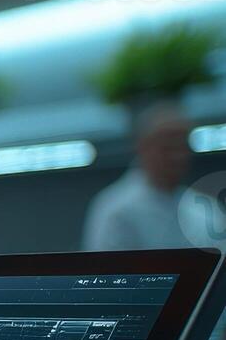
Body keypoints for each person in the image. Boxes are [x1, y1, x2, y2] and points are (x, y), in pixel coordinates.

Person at [84, 105, 212, 251]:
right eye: (168, 147)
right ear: (142, 147)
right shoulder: (116, 208)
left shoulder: (206, 210)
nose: (177, 156)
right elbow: (102, 264)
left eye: (182, 146)